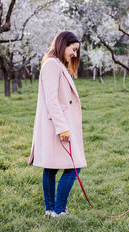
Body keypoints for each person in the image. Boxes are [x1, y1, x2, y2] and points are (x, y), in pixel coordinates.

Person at [28, 31, 87, 218]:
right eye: (74, 49)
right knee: (73, 167)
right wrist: (63, 128)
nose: (75, 54)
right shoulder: (52, 65)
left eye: (77, 51)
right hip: (57, 125)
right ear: (63, 44)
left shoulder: (56, 64)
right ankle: (58, 210)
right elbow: (52, 100)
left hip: (55, 124)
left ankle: (50, 210)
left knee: (52, 167)